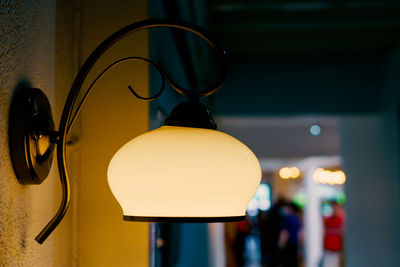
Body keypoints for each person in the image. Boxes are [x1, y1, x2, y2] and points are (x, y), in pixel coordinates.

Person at [278, 202, 301, 267]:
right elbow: (300, 233)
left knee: (287, 262)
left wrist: (281, 244)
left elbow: (284, 233)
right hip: (295, 243)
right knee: (294, 262)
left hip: (288, 244)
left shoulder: (287, 218)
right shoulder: (297, 218)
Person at [322, 201, 345, 267]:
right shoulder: (328, 220)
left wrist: (342, 250)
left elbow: (342, 236)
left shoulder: (341, 220)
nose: (335, 210)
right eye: (334, 208)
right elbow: (325, 234)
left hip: (336, 249)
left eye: (337, 208)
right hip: (328, 249)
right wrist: (324, 246)